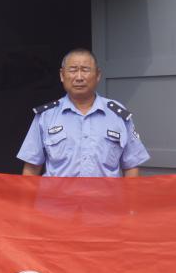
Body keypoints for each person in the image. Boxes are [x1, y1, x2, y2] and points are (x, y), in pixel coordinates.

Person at [18, 48, 149, 177]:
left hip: (105, 192)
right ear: (62, 75)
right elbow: (32, 168)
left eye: (85, 70)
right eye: (73, 70)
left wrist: (131, 192)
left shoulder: (117, 114)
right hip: (58, 192)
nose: (79, 77)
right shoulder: (46, 115)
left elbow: (131, 166)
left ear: (98, 75)